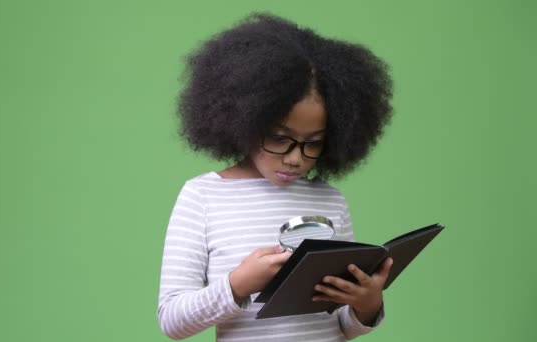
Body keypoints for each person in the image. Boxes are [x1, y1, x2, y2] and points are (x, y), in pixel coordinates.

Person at [157, 13, 394, 341]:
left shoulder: (330, 200)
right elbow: (172, 321)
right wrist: (237, 284)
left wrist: (366, 304)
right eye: (280, 138)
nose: (296, 158)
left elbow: (342, 324)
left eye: (313, 143)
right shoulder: (203, 196)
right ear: (245, 121)